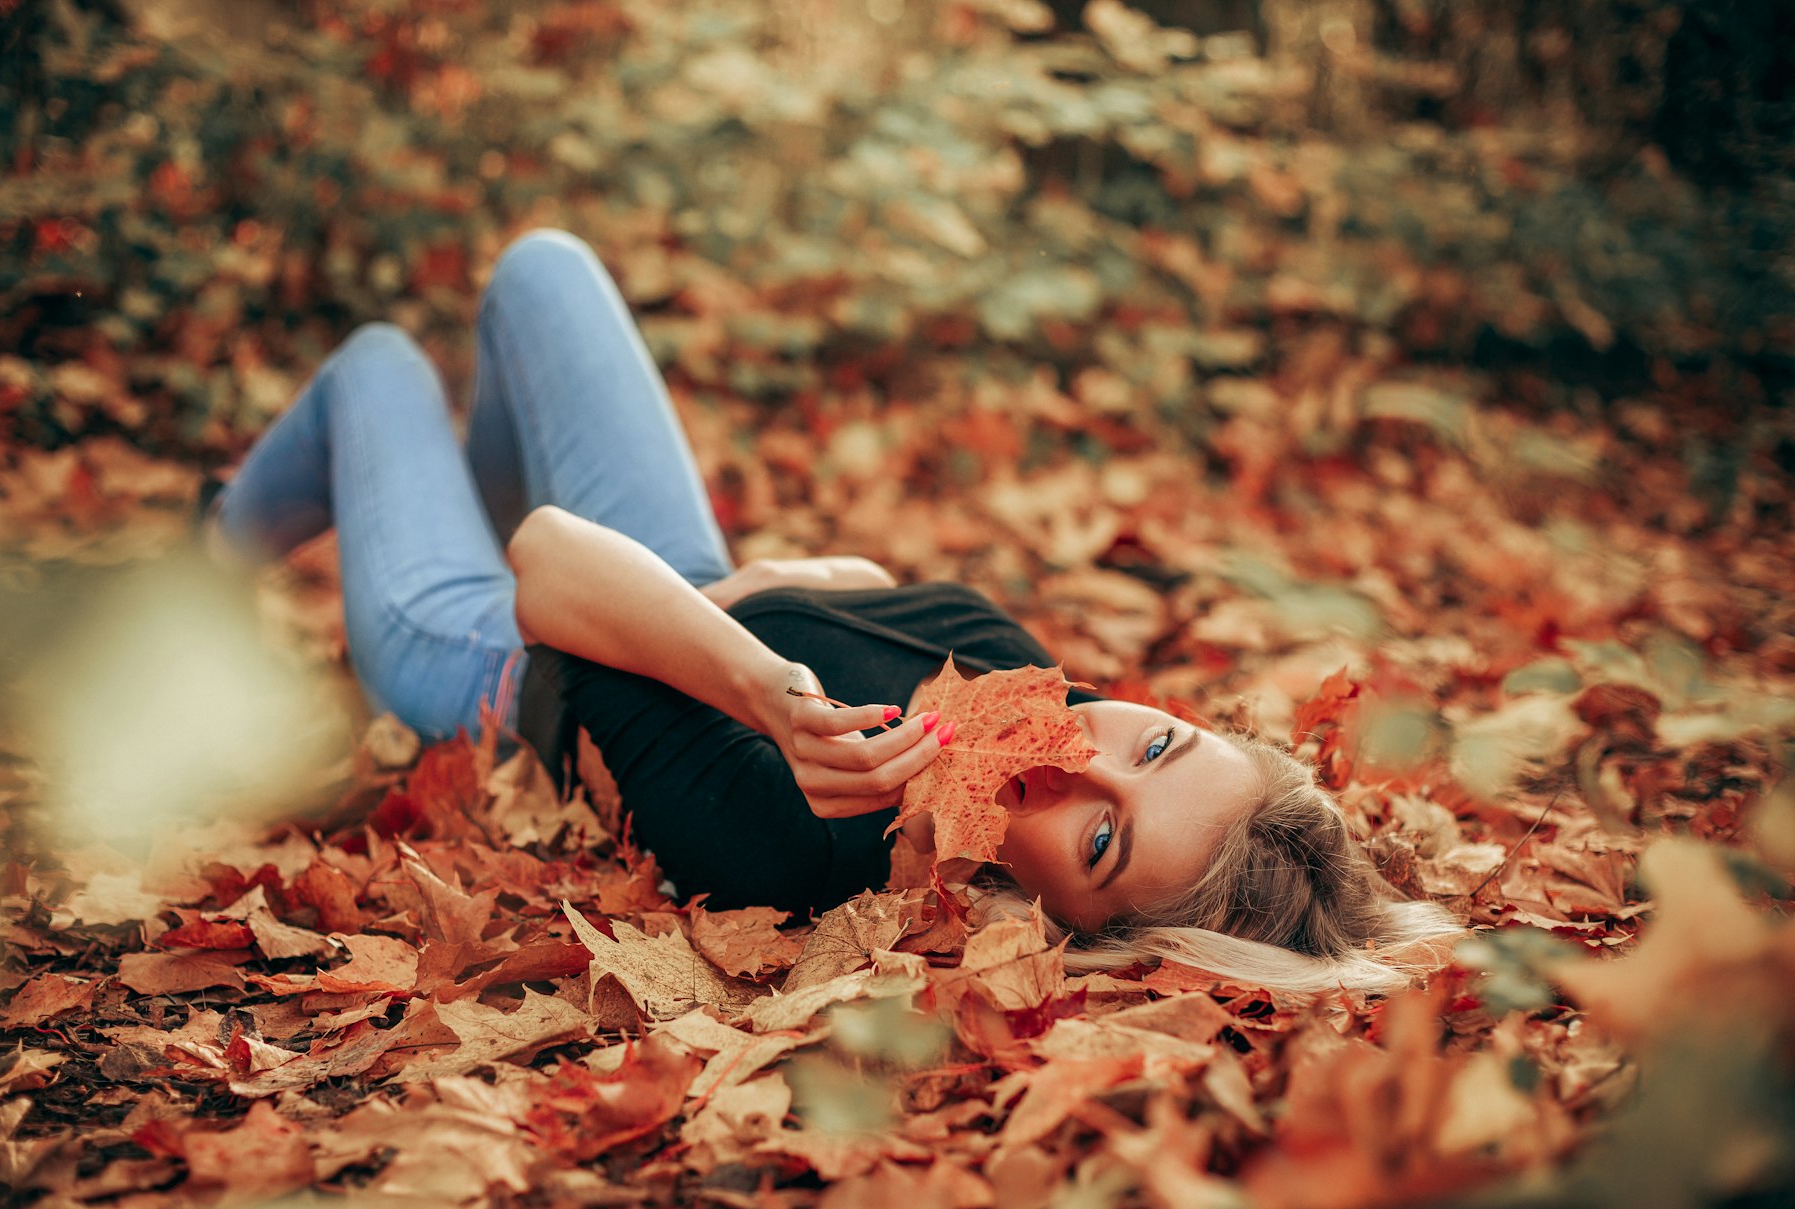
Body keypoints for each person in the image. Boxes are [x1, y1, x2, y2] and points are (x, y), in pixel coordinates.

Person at [208, 228, 1459, 995]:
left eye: (1098, 844)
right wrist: (750, 596)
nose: (1076, 759)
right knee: (543, 270)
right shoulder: (1021, 668)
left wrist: (757, 671)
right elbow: (851, 581)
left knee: (377, 363)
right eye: (1157, 742)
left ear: (1065, 928)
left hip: (496, 656)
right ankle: (428, 482)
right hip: (665, 572)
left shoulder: (806, 843)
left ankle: (198, 564)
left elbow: (549, 574)